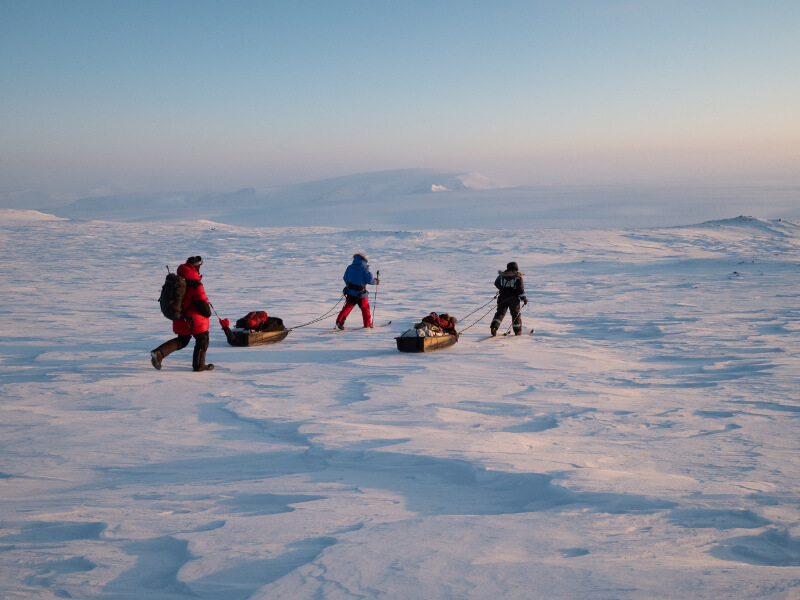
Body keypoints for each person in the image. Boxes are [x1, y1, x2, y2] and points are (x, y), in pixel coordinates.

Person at [151, 256, 221, 371]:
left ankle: (159, 353)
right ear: (196, 267)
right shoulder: (196, 285)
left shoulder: (179, 280)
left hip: (180, 317)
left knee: (182, 340)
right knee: (203, 338)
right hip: (194, 320)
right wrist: (208, 312)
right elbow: (203, 307)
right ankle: (199, 365)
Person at [335, 253, 379, 329]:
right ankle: (367, 324)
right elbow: (369, 280)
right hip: (362, 294)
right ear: (364, 260)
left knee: (347, 307)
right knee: (365, 308)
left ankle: (339, 321)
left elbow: (345, 278)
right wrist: (376, 281)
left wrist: (350, 286)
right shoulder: (364, 268)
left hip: (351, 292)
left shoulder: (349, 267)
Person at [490, 261, 527, 336]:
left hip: (502, 298)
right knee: (515, 314)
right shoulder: (518, 278)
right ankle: (517, 331)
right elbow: (520, 290)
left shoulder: (501, 276)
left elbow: (496, 283)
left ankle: (494, 327)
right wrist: (524, 299)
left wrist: (503, 289)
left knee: (500, 313)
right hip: (514, 299)